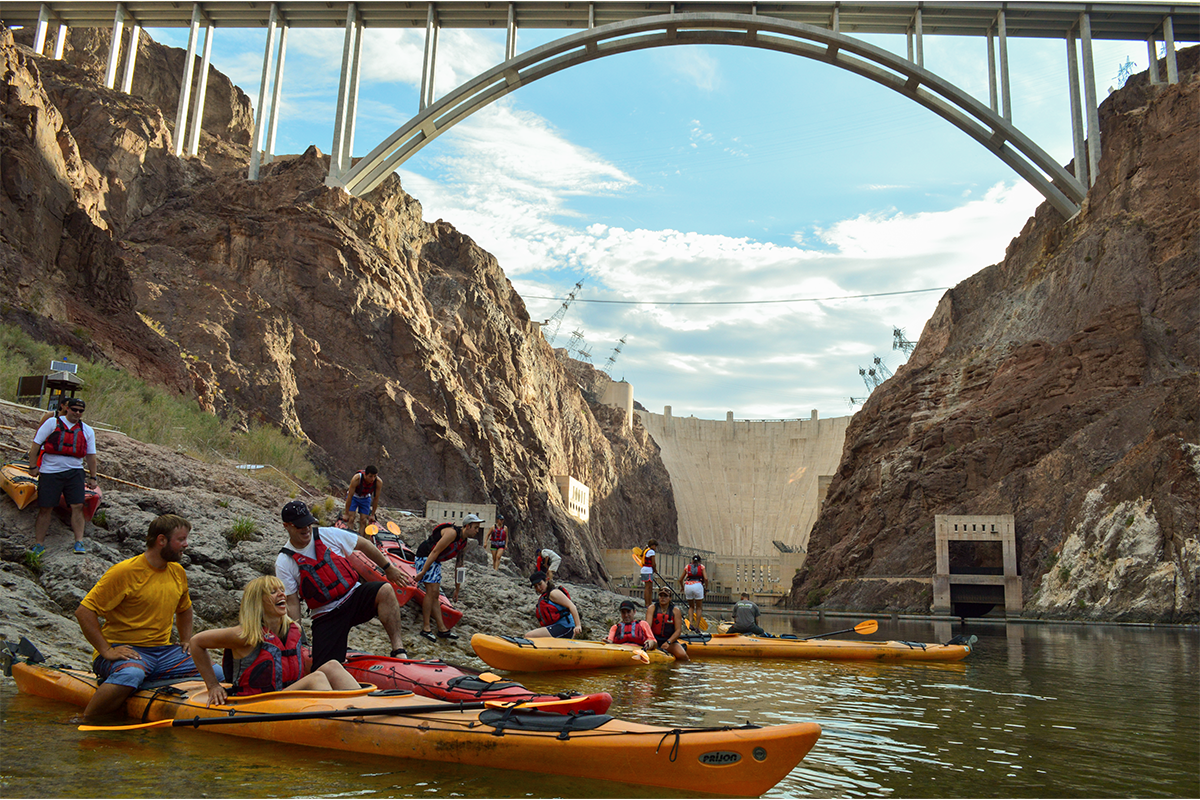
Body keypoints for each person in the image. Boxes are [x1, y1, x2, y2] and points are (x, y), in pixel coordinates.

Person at [74, 514, 213, 719]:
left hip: (163, 653)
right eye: (181, 539)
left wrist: (185, 640)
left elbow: (184, 609)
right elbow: (84, 611)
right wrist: (105, 650)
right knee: (132, 674)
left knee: (216, 673)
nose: (186, 544)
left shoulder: (177, 571)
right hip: (127, 651)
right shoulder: (125, 571)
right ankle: (84, 720)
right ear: (161, 540)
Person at [276, 500, 410, 666]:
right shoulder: (284, 561)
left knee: (385, 590)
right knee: (325, 668)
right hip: (326, 614)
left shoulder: (328, 534)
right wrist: (296, 634)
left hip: (354, 597)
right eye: (299, 525)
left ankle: (399, 651)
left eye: (308, 523)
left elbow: (364, 544)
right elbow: (292, 603)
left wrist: (388, 568)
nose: (306, 528)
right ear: (286, 526)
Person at [189, 576, 360, 705]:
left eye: (281, 590)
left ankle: (364, 709)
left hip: (285, 696)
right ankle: (341, 720)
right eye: (273, 592)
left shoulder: (295, 629)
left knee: (332, 666)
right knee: (316, 678)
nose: (282, 594)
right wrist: (213, 686)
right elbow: (196, 642)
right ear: (258, 602)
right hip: (257, 702)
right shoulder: (244, 635)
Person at [27, 396, 96, 555]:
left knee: (77, 506)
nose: (77, 413)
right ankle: (39, 543)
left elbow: (91, 455)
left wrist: (93, 477)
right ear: (67, 408)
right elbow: (36, 445)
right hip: (50, 471)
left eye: (80, 411)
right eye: (74, 410)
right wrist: (33, 466)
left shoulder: (87, 430)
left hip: (75, 471)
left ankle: (79, 542)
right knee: (45, 507)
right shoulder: (52, 423)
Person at [412, 515, 481, 641]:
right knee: (431, 592)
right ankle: (426, 628)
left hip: (435, 561)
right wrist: (423, 572)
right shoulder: (451, 533)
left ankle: (442, 629)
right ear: (467, 526)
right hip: (425, 556)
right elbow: (434, 552)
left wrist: (457, 589)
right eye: (475, 528)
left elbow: (459, 565)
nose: (477, 531)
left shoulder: (463, 542)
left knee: (435, 594)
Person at [525, 571, 581, 639]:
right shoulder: (545, 596)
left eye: (540, 584)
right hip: (557, 627)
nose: (539, 588)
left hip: (566, 627)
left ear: (546, 580)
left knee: (529, 636)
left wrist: (578, 625)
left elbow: (572, 606)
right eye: (536, 586)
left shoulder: (554, 593)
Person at [647, 586, 689, 661]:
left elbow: (678, 631)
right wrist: (651, 640)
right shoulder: (652, 608)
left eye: (665, 596)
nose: (663, 598)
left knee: (683, 656)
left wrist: (668, 642)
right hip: (654, 639)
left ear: (670, 598)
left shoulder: (675, 611)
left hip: (669, 640)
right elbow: (647, 627)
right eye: (661, 596)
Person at [343, 466, 381, 536]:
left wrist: (372, 514)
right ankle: (350, 537)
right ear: (365, 475)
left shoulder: (378, 482)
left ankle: (361, 539)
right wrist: (346, 513)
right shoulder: (357, 479)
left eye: (374, 476)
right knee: (351, 518)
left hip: (366, 498)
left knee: (363, 520)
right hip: (354, 496)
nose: (372, 479)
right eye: (370, 476)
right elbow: (350, 495)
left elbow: (376, 498)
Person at [679, 554, 708, 627]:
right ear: (699, 561)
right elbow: (706, 579)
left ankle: (691, 623)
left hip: (688, 586)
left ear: (692, 560)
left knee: (691, 607)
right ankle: (697, 627)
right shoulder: (702, 567)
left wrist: (682, 587)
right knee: (699, 607)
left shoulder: (687, 567)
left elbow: (680, 579)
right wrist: (706, 588)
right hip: (698, 586)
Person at [640, 538, 658, 608]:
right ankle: (648, 603)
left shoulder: (646, 551)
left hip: (644, 570)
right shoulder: (651, 551)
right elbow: (653, 563)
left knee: (648, 587)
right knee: (648, 588)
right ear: (652, 545)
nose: (655, 548)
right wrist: (655, 569)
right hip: (648, 571)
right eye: (655, 546)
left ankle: (648, 603)